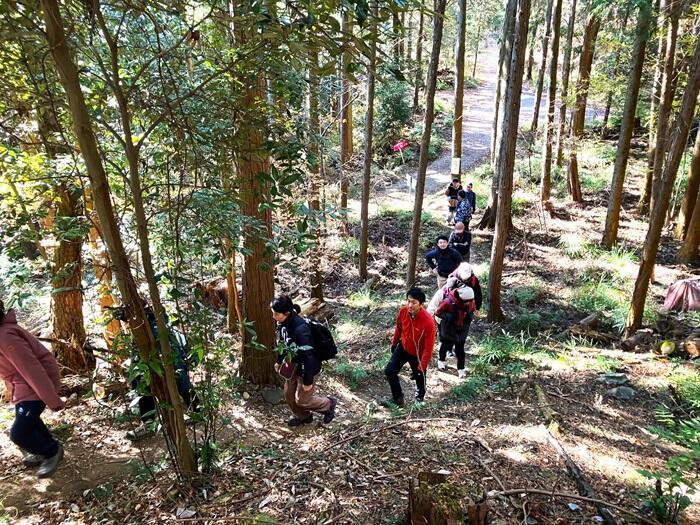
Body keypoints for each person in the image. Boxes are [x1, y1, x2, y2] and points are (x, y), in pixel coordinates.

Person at [114, 303, 199, 441]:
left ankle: (150, 424)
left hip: (168, 367)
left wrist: (134, 379)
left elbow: (139, 362)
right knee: (178, 384)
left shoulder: (151, 333)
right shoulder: (162, 328)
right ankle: (195, 410)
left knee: (147, 386)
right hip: (170, 368)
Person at [0, 300, 65, 478]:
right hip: (22, 386)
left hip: (36, 385)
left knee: (19, 433)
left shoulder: (6, 337)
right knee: (31, 422)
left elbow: (32, 369)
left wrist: (51, 399)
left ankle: (51, 451)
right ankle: (46, 448)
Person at [272, 295, 336, 427]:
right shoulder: (284, 324)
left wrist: (307, 381)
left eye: (276, 314)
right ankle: (304, 417)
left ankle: (328, 404)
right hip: (292, 363)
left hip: (307, 367)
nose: (274, 316)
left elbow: (308, 357)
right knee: (289, 395)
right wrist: (279, 361)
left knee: (302, 400)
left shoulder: (301, 330)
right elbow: (283, 343)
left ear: (287, 313)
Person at [382, 288, 436, 407]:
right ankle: (398, 399)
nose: (410, 305)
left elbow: (429, 348)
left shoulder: (428, 322)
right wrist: (394, 343)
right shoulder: (403, 311)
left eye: (414, 302)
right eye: (408, 301)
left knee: (419, 377)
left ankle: (419, 399)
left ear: (421, 304)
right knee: (389, 370)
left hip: (418, 353)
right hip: (403, 347)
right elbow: (399, 328)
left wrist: (421, 367)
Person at [435, 286, 476, 378]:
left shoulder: (470, 301)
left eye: (471, 300)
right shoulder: (448, 302)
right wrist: (448, 316)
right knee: (445, 345)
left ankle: (461, 369)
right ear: (461, 298)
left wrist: (470, 316)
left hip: (463, 329)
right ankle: (441, 361)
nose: (470, 303)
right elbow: (437, 312)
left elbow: (473, 309)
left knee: (460, 349)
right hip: (449, 328)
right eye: (467, 301)